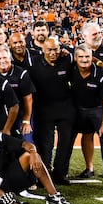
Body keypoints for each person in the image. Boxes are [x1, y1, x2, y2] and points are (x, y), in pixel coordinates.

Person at [0, 115, 76, 204]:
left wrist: (33, 153)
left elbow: (25, 144)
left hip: (8, 177)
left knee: (29, 156)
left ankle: (54, 196)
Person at [71, 44, 103, 192]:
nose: (84, 60)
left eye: (87, 57)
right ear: (75, 58)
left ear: (91, 57)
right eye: (81, 57)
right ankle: (88, 168)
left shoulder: (102, 74)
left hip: (98, 110)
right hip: (78, 109)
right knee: (81, 137)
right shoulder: (72, 69)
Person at [27, 37, 76, 185]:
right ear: (43, 49)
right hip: (44, 109)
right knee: (45, 145)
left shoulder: (67, 59)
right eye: (49, 50)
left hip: (65, 108)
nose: (53, 53)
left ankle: (60, 174)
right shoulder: (34, 63)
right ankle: (44, 175)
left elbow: (83, 54)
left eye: (56, 49)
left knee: (65, 143)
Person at [0, 45, 35, 141]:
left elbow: (28, 99)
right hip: (0, 116)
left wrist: (26, 120)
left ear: (10, 58)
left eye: (5, 58)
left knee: (27, 141)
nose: (2, 61)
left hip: (20, 114)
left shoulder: (21, 73)